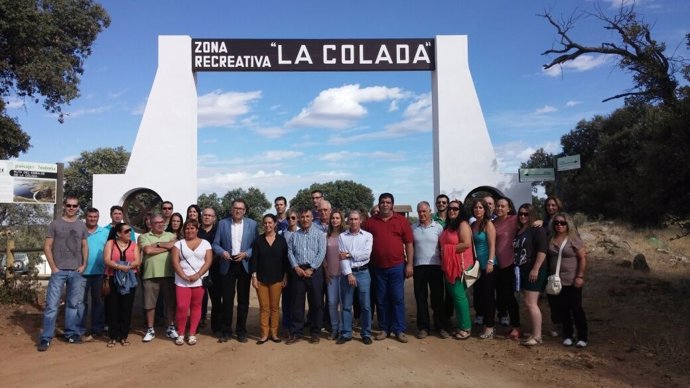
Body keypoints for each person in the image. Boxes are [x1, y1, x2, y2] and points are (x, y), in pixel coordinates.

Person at [38, 196, 89, 351]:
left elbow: (84, 246)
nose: (71, 208)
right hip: (58, 271)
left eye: (74, 206)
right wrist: (53, 267)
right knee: (52, 305)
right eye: (69, 205)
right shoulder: (55, 224)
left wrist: (83, 265)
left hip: (76, 272)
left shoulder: (81, 225)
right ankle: (46, 338)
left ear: (78, 207)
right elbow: (47, 246)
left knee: (73, 304)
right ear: (64, 206)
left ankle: (71, 334)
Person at [364, 193, 414, 343]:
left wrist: (410, 264)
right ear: (378, 204)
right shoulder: (371, 222)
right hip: (377, 268)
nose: (385, 204)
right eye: (382, 202)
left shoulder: (401, 221)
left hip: (397, 266)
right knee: (381, 299)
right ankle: (384, 328)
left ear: (392, 204)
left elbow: (409, 244)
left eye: (388, 202)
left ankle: (399, 329)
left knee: (397, 298)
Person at [212, 198, 257, 343]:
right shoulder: (222, 223)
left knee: (243, 300)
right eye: (235, 208)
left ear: (244, 211)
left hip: (243, 264)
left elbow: (256, 245)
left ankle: (241, 331)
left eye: (241, 208)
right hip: (227, 264)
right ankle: (226, 331)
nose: (238, 210)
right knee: (227, 300)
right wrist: (222, 252)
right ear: (231, 209)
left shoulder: (252, 224)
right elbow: (215, 244)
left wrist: (246, 254)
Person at [286, 209, 326, 344]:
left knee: (316, 303)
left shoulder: (320, 234)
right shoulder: (294, 236)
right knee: (297, 303)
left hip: (314, 271)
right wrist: (296, 267)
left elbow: (321, 253)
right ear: (298, 219)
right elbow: (290, 252)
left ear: (312, 218)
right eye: (302, 217)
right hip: (298, 271)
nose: (305, 219)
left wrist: (312, 268)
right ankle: (297, 332)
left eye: (307, 216)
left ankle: (315, 332)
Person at [548, 212, 589, 348]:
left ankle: (582, 336)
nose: (559, 225)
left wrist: (580, 276)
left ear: (568, 225)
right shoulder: (550, 238)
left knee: (576, 308)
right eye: (556, 222)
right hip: (557, 281)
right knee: (563, 309)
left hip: (572, 279)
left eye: (562, 223)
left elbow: (582, 258)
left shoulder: (573, 239)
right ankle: (568, 335)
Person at [171, 219, 213, 345]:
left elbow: (208, 261)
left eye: (192, 228)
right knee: (182, 307)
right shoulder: (178, 244)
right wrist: (183, 275)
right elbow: (174, 261)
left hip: (199, 281)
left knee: (196, 307)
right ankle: (181, 333)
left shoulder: (205, 243)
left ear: (197, 229)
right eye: (187, 228)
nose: (189, 231)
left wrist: (198, 275)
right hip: (182, 281)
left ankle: (192, 333)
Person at [412, 201, 449, 339]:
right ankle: (423, 327)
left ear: (430, 212)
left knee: (437, 298)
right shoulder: (413, 228)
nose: (422, 214)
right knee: (420, 298)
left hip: (435, 266)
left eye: (424, 211)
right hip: (419, 267)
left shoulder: (438, 227)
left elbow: (444, 247)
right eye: (419, 211)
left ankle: (440, 326)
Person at [250, 214, 289, 344]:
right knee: (264, 307)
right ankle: (264, 334)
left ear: (275, 224)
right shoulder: (258, 241)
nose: (267, 225)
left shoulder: (282, 240)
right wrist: (254, 277)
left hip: (277, 278)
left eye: (270, 222)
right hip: (261, 279)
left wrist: (285, 276)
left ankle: (274, 333)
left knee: (275, 307)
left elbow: (285, 260)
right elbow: (254, 260)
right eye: (265, 223)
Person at [139, 215, 178, 342]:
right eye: (157, 222)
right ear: (151, 223)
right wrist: (166, 247)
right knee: (150, 304)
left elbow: (174, 246)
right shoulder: (144, 236)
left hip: (169, 274)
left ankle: (171, 327)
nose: (160, 224)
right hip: (150, 274)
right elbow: (148, 250)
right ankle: (150, 329)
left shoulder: (171, 235)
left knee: (170, 303)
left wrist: (157, 244)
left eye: (162, 222)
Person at [514, 204, 548, 346]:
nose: (523, 216)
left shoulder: (536, 230)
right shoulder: (520, 230)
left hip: (534, 270)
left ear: (532, 215)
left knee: (531, 303)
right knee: (529, 303)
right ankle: (534, 331)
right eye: (521, 213)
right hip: (523, 269)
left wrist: (535, 268)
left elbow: (542, 250)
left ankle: (537, 336)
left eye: (526, 214)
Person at [337, 210, 373, 345]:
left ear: (360, 220)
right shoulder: (342, 237)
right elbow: (341, 257)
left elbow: (366, 254)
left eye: (356, 219)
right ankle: (346, 333)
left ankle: (366, 333)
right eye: (351, 219)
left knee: (366, 306)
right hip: (347, 273)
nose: (353, 221)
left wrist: (349, 254)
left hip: (363, 273)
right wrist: (349, 274)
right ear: (347, 221)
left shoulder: (368, 236)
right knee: (346, 305)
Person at [439, 200, 473, 340]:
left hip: (459, 266)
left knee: (460, 297)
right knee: (456, 297)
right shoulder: (449, 226)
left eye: (455, 208)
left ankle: (466, 327)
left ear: (461, 211)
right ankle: (461, 325)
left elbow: (466, 244)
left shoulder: (463, 224)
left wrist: (446, 250)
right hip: (449, 265)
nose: (452, 210)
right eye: (450, 208)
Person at [103, 223, 141, 347]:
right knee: (112, 307)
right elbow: (107, 260)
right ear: (118, 233)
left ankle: (123, 336)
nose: (129, 233)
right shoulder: (110, 244)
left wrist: (128, 267)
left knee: (126, 307)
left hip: (129, 279)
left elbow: (137, 260)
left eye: (130, 231)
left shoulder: (134, 245)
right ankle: (113, 336)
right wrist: (120, 267)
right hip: (113, 278)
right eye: (126, 231)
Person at [493, 196, 520, 339]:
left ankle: (516, 325)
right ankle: (504, 319)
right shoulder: (492, 223)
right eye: (498, 206)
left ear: (509, 208)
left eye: (503, 206)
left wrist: (538, 221)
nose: (499, 208)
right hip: (496, 264)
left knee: (509, 296)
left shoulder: (514, 220)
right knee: (499, 295)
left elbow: (529, 223)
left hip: (509, 263)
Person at [80, 207, 108, 341]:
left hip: (100, 272)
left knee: (98, 302)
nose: (92, 219)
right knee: (81, 302)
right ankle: (80, 329)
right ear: (86, 217)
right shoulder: (80, 231)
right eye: (90, 216)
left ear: (98, 217)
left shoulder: (105, 232)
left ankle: (97, 330)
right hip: (81, 272)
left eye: (95, 217)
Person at [470, 198, 497, 339]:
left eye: (481, 207)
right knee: (479, 295)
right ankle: (484, 322)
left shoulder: (488, 224)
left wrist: (490, 262)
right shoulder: (473, 224)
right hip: (477, 266)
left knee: (488, 296)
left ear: (485, 210)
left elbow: (492, 244)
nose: (478, 210)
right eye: (476, 208)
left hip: (488, 265)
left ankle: (490, 327)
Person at [543, 195, 564, 337]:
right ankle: (557, 324)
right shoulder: (544, 222)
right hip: (549, 264)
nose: (551, 207)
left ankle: (566, 325)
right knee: (553, 295)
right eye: (548, 205)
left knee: (565, 298)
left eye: (553, 205)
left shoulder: (564, 220)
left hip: (563, 264)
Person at [324, 209, 346, 340]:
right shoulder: (326, 236)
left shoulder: (346, 235)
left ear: (341, 219)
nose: (335, 220)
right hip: (331, 275)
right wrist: (326, 272)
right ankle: (334, 328)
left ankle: (343, 329)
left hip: (343, 274)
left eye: (337, 218)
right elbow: (324, 257)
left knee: (344, 304)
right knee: (332, 303)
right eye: (333, 218)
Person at [197, 207, 217, 332]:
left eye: (210, 215)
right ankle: (199, 321)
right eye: (205, 215)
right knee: (200, 298)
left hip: (216, 269)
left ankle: (216, 326)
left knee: (215, 298)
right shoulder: (196, 231)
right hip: (199, 269)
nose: (207, 217)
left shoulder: (218, 231)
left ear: (214, 218)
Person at [280, 208, 299, 335]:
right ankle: (286, 325)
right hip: (287, 270)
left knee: (297, 299)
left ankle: (296, 325)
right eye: (288, 218)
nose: (291, 220)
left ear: (297, 218)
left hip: (299, 269)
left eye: (293, 218)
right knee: (286, 299)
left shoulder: (302, 232)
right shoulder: (282, 234)